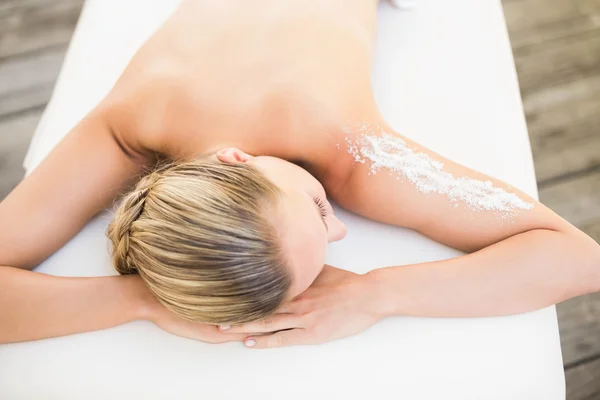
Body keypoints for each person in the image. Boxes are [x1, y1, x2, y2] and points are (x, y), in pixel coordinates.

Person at [1, 0, 599, 349]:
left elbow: (577, 258)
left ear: (234, 159)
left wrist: (377, 293)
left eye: (317, 209)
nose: (339, 229)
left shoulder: (348, 154)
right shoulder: (129, 130)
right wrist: (140, 299)